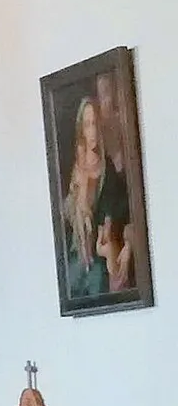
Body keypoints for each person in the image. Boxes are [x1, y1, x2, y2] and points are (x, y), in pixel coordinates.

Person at [61, 92, 133, 302]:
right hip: (77, 257)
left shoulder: (108, 169)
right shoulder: (72, 172)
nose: (91, 131)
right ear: (81, 130)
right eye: (87, 125)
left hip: (100, 260)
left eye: (94, 124)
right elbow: (66, 216)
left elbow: (116, 214)